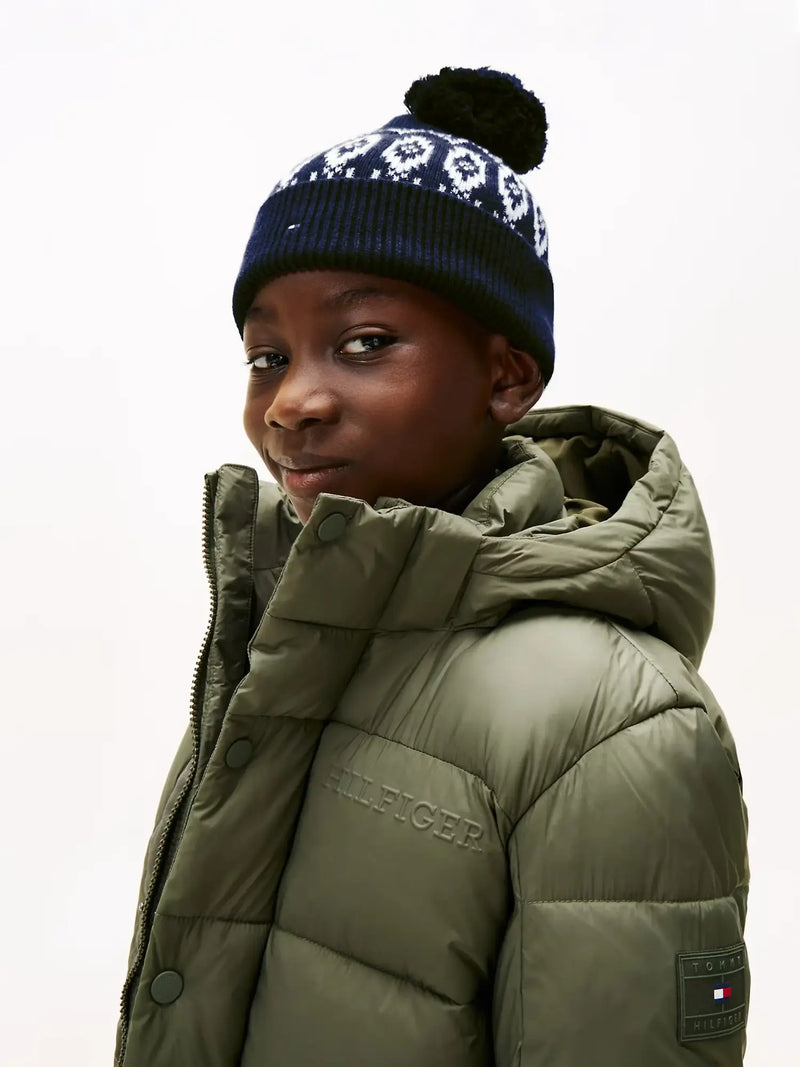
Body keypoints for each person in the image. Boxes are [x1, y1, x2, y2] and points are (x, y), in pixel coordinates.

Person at [114, 66, 749, 1066]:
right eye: (267, 354)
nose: (289, 403)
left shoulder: (608, 722)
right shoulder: (286, 645)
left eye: (362, 342)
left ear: (505, 375)